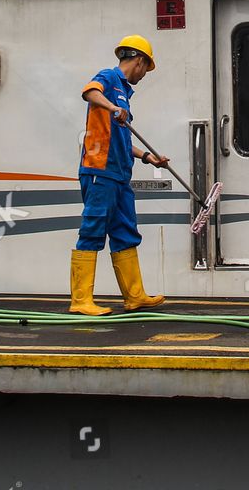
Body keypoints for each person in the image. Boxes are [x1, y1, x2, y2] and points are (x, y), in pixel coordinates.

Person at [68, 34, 171, 316]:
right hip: (100, 171)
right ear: (139, 61)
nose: (144, 75)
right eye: (145, 68)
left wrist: (150, 158)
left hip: (119, 175)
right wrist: (114, 108)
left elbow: (123, 139)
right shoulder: (109, 78)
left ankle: (134, 296)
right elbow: (89, 91)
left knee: (125, 230)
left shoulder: (124, 93)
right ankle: (81, 300)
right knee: (93, 229)